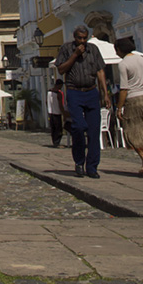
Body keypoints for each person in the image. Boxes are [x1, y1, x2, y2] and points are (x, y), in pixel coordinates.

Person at [56, 25, 110, 178]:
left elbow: (100, 71)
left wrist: (105, 93)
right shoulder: (66, 49)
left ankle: (92, 167)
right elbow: (61, 70)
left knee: (94, 131)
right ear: (74, 37)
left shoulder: (93, 50)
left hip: (92, 92)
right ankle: (79, 161)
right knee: (79, 127)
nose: (82, 40)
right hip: (74, 92)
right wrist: (74, 55)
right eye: (79, 38)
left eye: (85, 38)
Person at [114, 37, 143, 176]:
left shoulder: (123, 64)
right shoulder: (141, 58)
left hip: (133, 100)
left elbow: (124, 88)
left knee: (133, 134)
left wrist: (119, 107)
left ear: (119, 50)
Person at [47, 79, 66, 148]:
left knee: (53, 129)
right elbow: (61, 104)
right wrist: (64, 113)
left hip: (50, 112)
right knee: (58, 129)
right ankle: (57, 142)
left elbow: (47, 102)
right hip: (57, 112)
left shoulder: (49, 92)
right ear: (59, 85)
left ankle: (54, 142)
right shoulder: (58, 93)